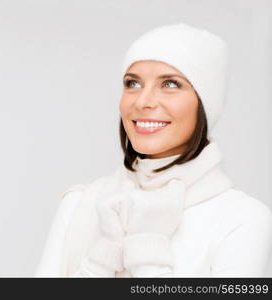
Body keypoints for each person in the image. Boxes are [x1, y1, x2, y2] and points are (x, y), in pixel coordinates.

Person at [34, 23, 272, 278]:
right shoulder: (80, 204)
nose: (143, 101)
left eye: (170, 84)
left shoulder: (242, 218)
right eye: (133, 83)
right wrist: (99, 262)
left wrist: (147, 255)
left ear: (205, 103)